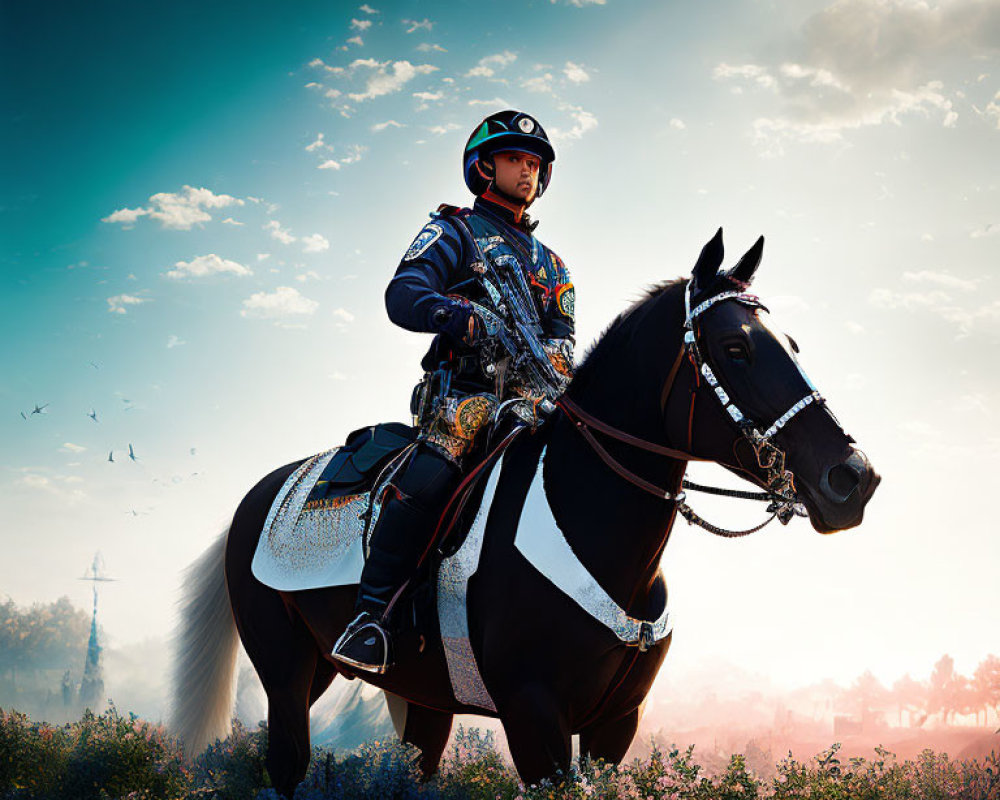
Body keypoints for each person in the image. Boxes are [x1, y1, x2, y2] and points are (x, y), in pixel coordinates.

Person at [332, 109, 575, 673]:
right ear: (484, 167)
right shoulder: (453, 231)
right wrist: (462, 315)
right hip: (463, 396)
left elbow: (562, 342)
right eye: (516, 158)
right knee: (431, 470)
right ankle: (370, 619)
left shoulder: (555, 267)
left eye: (535, 163)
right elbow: (404, 292)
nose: (527, 170)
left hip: (534, 400)